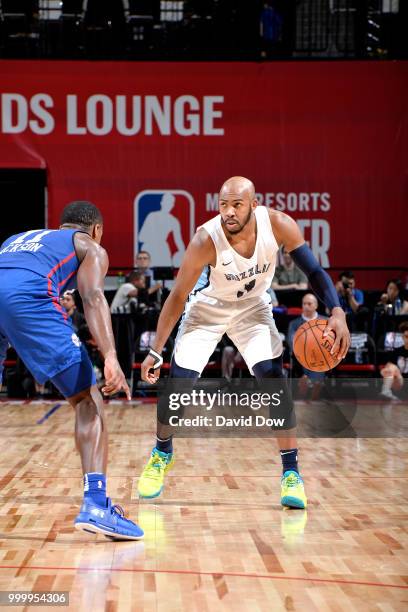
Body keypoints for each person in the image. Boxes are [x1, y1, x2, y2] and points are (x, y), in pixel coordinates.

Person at [137, 176, 350, 509]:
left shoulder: (279, 225)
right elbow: (178, 296)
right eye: (223, 205)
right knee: (179, 386)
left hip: (252, 308)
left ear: (254, 204)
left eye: (236, 204)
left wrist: (337, 310)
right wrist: (155, 349)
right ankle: (162, 452)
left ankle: (291, 473)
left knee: (274, 381)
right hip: (208, 309)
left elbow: (314, 271)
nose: (229, 212)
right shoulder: (205, 240)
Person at [0, 201, 143, 540]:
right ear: (96, 230)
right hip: (27, 300)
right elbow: (92, 296)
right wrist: (110, 356)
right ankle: (96, 504)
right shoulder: (88, 245)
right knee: (88, 400)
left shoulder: (18, 238)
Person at [287, 293, 327, 397]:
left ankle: (306, 380)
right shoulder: (294, 324)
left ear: (316, 306)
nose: (306, 306)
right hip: (301, 355)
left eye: (309, 304)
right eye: (304, 304)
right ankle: (315, 383)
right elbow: (291, 342)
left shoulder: (326, 321)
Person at [138, 193, 186, 266]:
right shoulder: (152, 216)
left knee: (166, 274)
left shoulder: (174, 221)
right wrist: (154, 239)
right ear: (162, 202)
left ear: (172, 205)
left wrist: (182, 254)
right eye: (166, 201)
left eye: (171, 203)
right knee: (147, 272)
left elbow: (178, 240)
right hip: (149, 249)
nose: (168, 204)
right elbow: (141, 237)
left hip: (163, 251)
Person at [380, 321, 408, 400]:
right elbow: (388, 368)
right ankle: (386, 391)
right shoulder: (397, 351)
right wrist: (386, 370)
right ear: (403, 337)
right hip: (399, 381)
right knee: (391, 367)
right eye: (406, 336)